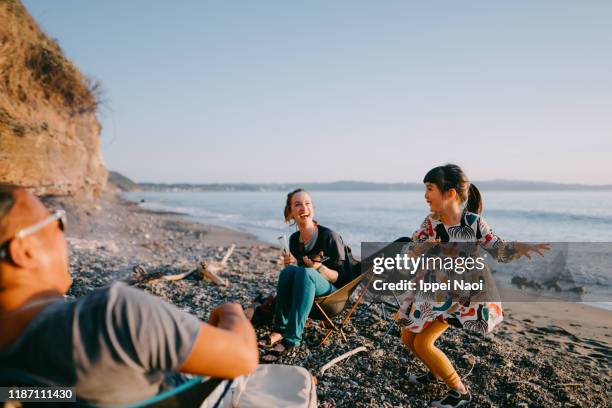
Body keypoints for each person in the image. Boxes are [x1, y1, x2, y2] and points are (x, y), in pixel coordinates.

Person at [0, 186, 259, 406]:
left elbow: (55, 395)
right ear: (23, 251)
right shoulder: (109, 316)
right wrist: (231, 311)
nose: (63, 233)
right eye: (57, 221)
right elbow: (244, 357)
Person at [396, 165, 549, 408]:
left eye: (430, 189)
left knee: (423, 343)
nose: (425, 196)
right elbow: (411, 252)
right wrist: (424, 246)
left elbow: (500, 251)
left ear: (450, 194)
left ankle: (459, 392)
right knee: (407, 336)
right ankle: (435, 371)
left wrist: (521, 248)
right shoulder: (430, 223)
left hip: (459, 296)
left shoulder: (473, 223)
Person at [262, 189, 349, 352]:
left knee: (307, 272)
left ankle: (292, 339)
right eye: (298, 204)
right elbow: (297, 275)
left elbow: (342, 279)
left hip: (334, 297)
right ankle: (279, 329)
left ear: (313, 208)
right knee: (288, 272)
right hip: (308, 293)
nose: (304, 208)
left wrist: (319, 268)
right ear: (290, 213)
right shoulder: (295, 240)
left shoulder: (330, 237)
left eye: (307, 203)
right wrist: (291, 264)